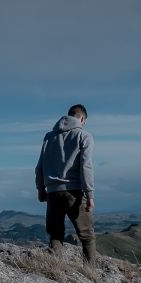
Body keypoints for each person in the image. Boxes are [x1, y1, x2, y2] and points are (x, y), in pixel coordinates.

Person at [35, 104, 97, 263]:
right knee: (87, 237)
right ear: (82, 118)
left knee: (55, 236)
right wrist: (90, 195)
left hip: (53, 193)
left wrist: (41, 189)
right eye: (84, 122)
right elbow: (86, 166)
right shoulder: (84, 136)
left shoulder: (49, 137)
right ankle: (91, 275)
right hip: (74, 192)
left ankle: (56, 271)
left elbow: (39, 167)